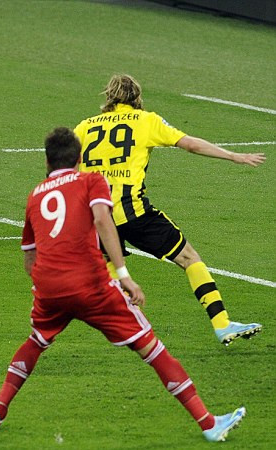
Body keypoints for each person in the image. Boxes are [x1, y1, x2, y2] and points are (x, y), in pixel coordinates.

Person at [0, 127, 245, 442]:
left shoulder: (35, 195)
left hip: (49, 287)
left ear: (47, 161)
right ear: (79, 158)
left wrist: (50, 286)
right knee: (152, 348)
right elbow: (103, 220)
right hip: (91, 285)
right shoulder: (91, 180)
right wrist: (123, 274)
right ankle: (208, 423)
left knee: (36, 341)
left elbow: (29, 259)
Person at [74, 74, 265, 346]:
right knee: (188, 257)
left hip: (95, 217)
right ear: (137, 97)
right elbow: (190, 144)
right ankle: (222, 324)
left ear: (108, 96)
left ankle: (129, 327)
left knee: (109, 265)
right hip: (134, 213)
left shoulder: (85, 126)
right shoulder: (145, 120)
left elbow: (65, 166)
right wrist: (233, 156)